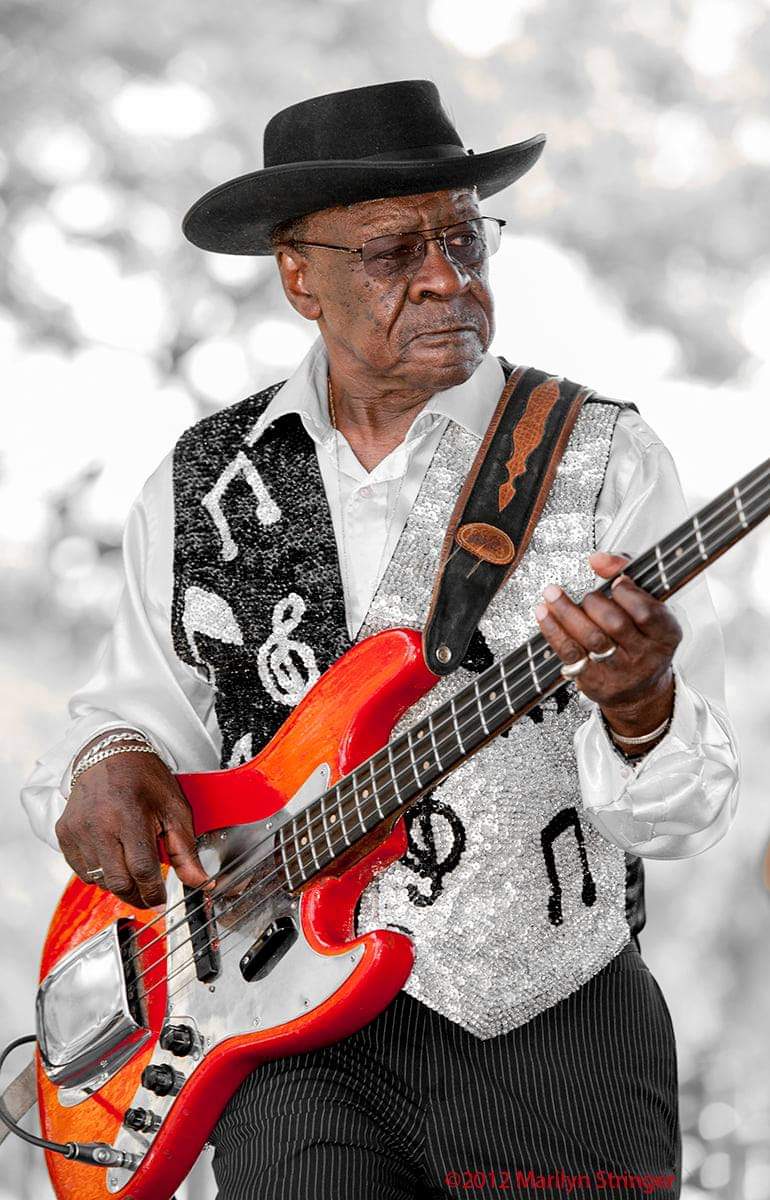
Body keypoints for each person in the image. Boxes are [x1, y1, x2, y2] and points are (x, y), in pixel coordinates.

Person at [22, 80, 739, 1200]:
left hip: (562, 1025)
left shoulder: (606, 457)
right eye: (396, 250)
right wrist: (106, 758)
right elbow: (129, 719)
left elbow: (685, 815)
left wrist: (641, 708)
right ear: (298, 276)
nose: (448, 277)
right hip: (283, 1031)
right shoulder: (198, 483)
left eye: (464, 238)